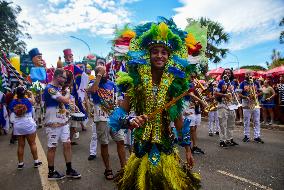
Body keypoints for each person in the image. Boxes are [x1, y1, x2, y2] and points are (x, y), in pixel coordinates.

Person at [108, 22, 200, 189]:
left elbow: (178, 119)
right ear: (148, 55)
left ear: (169, 57)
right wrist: (130, 120)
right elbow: (118, 115)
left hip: (165, 145)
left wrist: (187, 149)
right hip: (142, 147)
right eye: (155, 52)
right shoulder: (135, 84)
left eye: (164, 52)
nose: (160, 56)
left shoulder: (174, 86)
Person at [88, 66, 126, 180]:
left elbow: (119, 100)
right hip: (101, 119)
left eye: (104, 71)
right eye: (100, 71)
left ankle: (124, 168)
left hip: (114, 118)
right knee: (104, 144)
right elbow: (93, 90)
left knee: (121, 141)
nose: (103, 73)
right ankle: (108, 169)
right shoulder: (93, 83)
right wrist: (98, 75)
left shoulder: (112, 84)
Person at [43, 68, 81, 180]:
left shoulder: (57, 89)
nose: (65, 80)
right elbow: (64, 100)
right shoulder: (50, 89)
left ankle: (69, 169)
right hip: (53, 124)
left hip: (63, 123)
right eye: (63, 77)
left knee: (67, 144)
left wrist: (68, 110)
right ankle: (51, 172)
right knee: (52, 148)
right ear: (57, 76)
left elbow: (62, 105)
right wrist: (68, 93)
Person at [9, 87, 42, 169]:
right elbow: (34, 101)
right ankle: (36, 162)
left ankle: (20, 164)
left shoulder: (13, 102)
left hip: (18, 125)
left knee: (20, 145)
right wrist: (30, 93)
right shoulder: (28, 100)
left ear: (17, 94)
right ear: (24, 93)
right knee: (32, 143)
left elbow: (11, 110)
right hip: (28, 123)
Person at [214, 68, 239, 148]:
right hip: (223, 104)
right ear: (224, 74)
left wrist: (236, 99)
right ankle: (222, 141)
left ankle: (229, 139)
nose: (228, 74)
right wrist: (224, 95)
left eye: (229, 73)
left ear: (231, 74)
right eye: (226, 73)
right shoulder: (221, 82)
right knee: (223, 123)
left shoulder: (233, 83)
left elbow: (234, 94)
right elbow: (216, 93)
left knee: (231, 123)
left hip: (231, 104)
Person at [239, 72, 264, 143]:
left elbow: (261, 92)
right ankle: (246, 136)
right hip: (246, 104)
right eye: (247, 74)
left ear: (252, 75)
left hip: (255, 104)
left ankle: (257, 136)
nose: (248, 75)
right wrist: (246, 97)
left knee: (256, 121)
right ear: (245, 75)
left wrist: (256, 95)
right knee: (246, 121)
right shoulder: (242, 83)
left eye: (250, 74)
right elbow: (239, 94)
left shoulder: (256, 82)